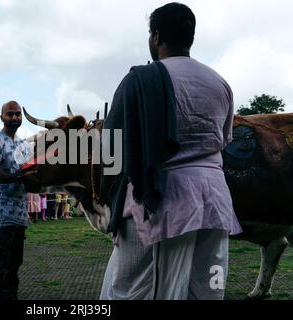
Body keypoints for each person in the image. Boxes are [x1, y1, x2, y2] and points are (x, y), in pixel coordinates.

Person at [100, 3, 242, 300]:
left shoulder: (139, 81)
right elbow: (223, 140)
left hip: (161, 202)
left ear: (156, 36)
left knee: (134, 290)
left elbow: (110, 144)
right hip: (214, 203)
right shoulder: (220, 83)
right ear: (191, 36)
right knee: (207, 288)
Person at [0, 100, 39, 300]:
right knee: (0, 264)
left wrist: (37, 179)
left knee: (14, 264)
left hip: (18, 213)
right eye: (10, 114)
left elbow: (31, 175)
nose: (15, 117)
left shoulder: (24, 146)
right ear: (2, 118)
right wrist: (19, 176)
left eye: (17, 114)